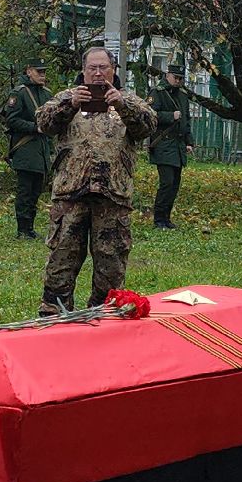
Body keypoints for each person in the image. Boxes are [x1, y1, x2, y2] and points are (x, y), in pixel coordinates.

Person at [36, 47, 154, 315]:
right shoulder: (68, 98)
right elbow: (43, 124)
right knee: (61, 262)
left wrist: (122, 105)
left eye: (104, 67)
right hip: (71, 196)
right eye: (93, 68)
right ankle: (54, 316)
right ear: (83, 71)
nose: (98, 73)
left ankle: (105, 318)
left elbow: (148, 127)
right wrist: (70, 105)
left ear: (113, 70)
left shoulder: (129, 101)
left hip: (113, 196)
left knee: (110, 266)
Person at [0, 61, 53, 239]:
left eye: (44, 72)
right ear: (29, 71)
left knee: (36, 190)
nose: (42, 75)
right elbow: (12, 120)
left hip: (42, 149)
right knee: (25, 191)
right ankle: (22, 228)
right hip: (25, 147)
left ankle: (30, 227)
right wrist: (34, 127)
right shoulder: (19, 93)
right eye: (39, 71)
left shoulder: (47, 94)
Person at [148, 65, 194, 229]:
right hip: (163, 143)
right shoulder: (158, 92)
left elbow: (186, 120)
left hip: (178, 145)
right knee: (166, 183)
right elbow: (150, 115)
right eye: (176, 77)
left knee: (174, 184)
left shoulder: (182, 95)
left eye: (181, 78)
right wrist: (170, 116)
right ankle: (159, 219)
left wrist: (189, 141)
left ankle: (166, 218)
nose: (179, 81)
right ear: (167, 75)